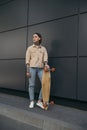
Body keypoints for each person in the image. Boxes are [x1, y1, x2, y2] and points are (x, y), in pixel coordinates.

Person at [26, 33, 49, 109]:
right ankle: (32, 101)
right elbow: (27, 60)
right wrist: (28, 71)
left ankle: (39, 101)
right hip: (31, 68)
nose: (34, 38)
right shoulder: (29, 48)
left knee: (44, 84)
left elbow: (45, 58)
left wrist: (46, 65)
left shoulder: (43, 49)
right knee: (31, 85)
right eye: (33, 37)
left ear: (39, 38)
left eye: (35, 37)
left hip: (41, 68)